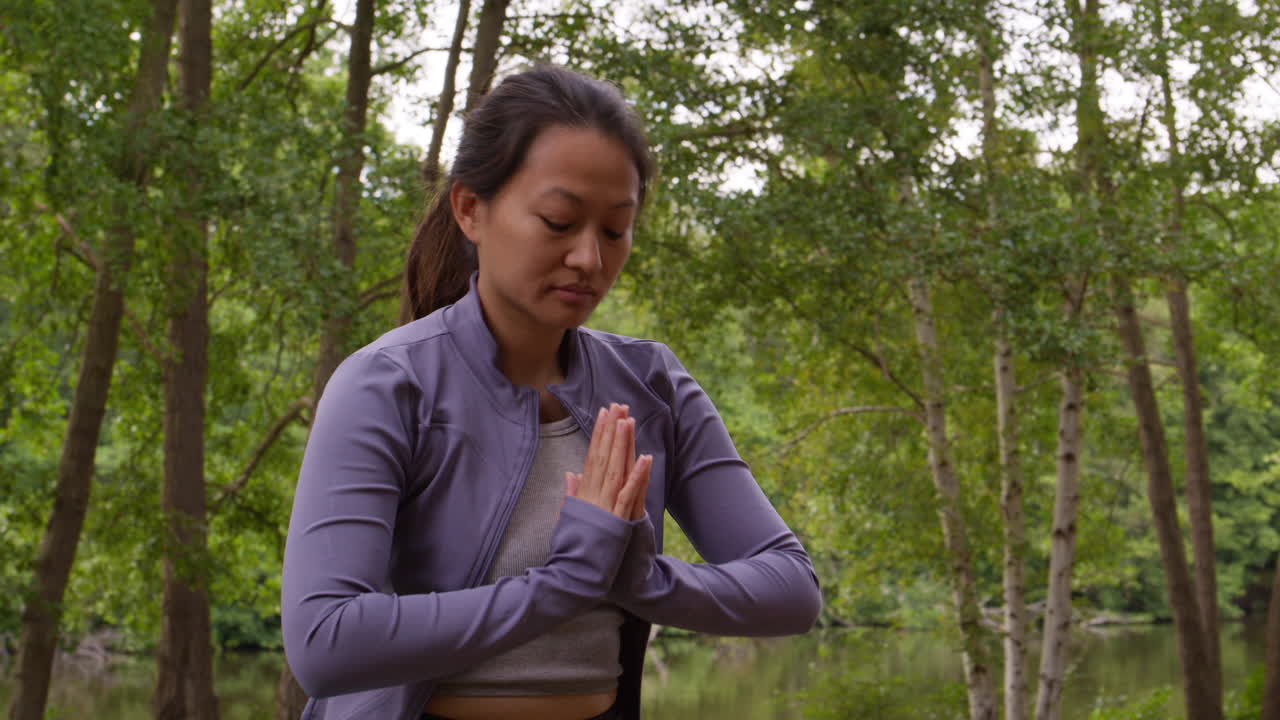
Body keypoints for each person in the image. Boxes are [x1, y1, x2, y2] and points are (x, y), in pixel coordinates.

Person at [281, 64, 822, 720]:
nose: (590, 260)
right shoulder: (389, 384)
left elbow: (792, 589)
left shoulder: (651, 387)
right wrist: (562, 586)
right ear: (470, 209)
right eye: (560, 222)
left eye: (615, 231)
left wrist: (644, 580)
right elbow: (325, 643)